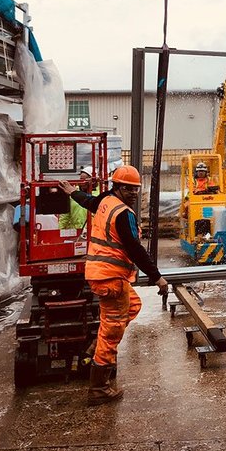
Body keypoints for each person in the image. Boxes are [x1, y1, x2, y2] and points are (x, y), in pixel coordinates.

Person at [59, 164, 167, 406]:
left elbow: (88, 201)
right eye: (128, 189)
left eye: (136, 190)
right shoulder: (123, 214)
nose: (133, 194)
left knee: (134, 305)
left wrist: (71, 192)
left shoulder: (105, 201)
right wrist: (157, 277)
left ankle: (96, 345)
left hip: (101, 274)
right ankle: (99, 388)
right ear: (117, 187)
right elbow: (136, 250)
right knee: (112, 332)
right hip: (110, 278)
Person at [58, 167, 98, 231]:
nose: (82, 182)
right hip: (74, 231)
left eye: (84, 179)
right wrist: (60, 230)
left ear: (93, 181)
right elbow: (65, 215)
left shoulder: (99, 194)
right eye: (81, 179)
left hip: (93, 232)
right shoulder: (73, 193)